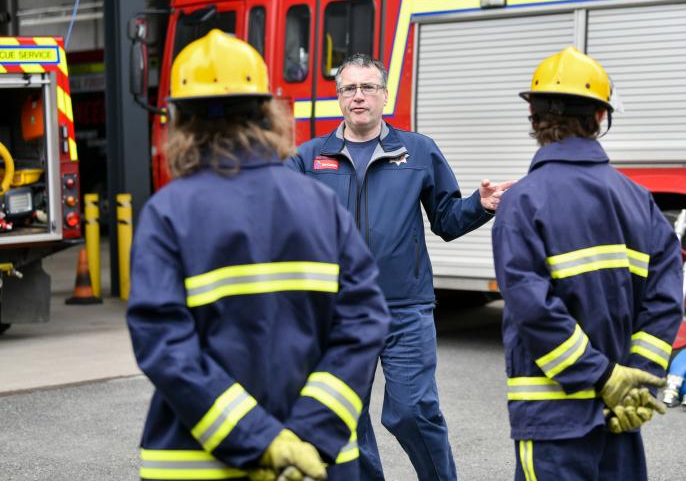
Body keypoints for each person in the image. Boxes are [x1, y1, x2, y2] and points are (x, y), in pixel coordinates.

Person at [127, 31, 390, 481]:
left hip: (199, 465)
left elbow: (165, 345)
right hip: (318, 465)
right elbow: (363, 323)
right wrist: (307, 436)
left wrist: (261, 440)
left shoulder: (168, 213)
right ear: (268, 111)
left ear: (180, 121)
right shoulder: (320, 204)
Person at [285, 53, 511, 481]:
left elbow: (445, 219)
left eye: (368, 87)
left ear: (384, 96)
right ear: (338, 99)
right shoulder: (309, 158)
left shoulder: (418, 151)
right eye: (349, 89)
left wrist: (479, 206)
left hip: (404, 308)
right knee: (344, 417)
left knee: (412, 411)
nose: (358, 97)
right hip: (338, 313)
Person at [491, 46, 684, 480]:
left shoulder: (522, 202)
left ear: (535, 120)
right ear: (600, 119)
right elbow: (666, 299)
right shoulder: (639, 201)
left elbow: (532, 309)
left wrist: (602, 376)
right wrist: (636, 380)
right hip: (621, 417)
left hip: (552, 425)